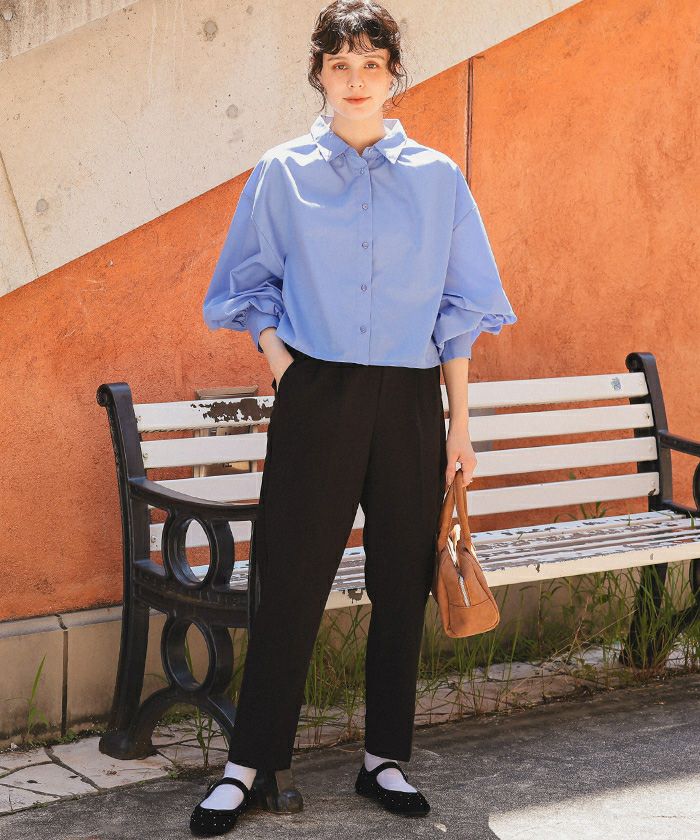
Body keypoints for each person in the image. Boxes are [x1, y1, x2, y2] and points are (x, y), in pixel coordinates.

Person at [191, 0, 517, 834]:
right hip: (319, 394)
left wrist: (459, 425)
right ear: (319, 74)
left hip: (410, 398)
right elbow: (247, 283)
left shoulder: (438, 179)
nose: (357, 79)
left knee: (401, 582)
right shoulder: (283, 172)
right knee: (290, 580)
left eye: (372, 63)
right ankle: (248, 764)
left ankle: (384, 759)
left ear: (394, 73)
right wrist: (286, 367)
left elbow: (458, 310)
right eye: (340, 64)